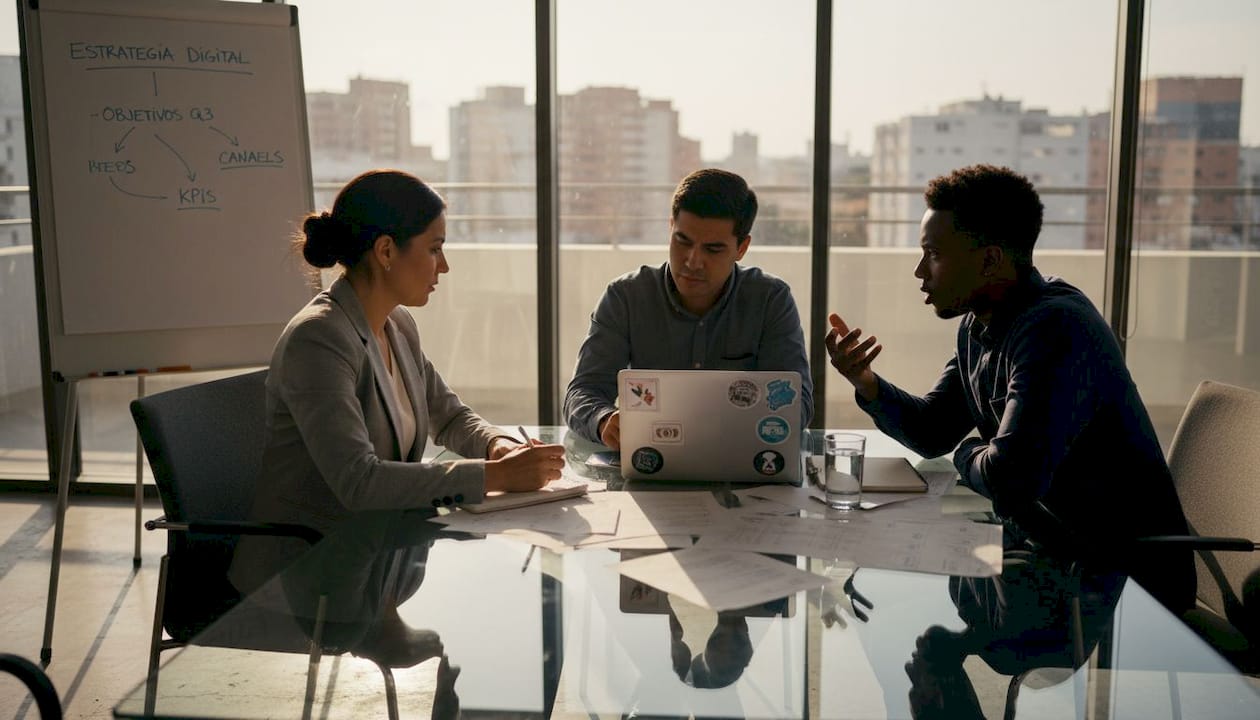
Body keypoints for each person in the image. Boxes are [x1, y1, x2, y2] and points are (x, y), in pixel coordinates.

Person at [824, 163, 1194, 613]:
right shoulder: (980, 325)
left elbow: (1011, 478)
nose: (920, 271)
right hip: (1047, 547)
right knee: (879, 579)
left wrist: (967, 454)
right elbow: (934, 430)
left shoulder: (1056, 329)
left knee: (889, 597)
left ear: (990, 260)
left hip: (1117, 582)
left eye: (934, 254)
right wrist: (865, 382)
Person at [231, 169, 565, 594]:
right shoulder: (318, 338)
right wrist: (495, 477)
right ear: (386, 251)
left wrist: (499, 447)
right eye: (434, 249)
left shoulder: (396, 323)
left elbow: (450, 417)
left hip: (378, 556)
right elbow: (359, 482)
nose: (444, 265)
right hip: (307, 572)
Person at [564, 168, 812, 449]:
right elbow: (583, 391)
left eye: (713, 249)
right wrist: (603, 419)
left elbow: (797, 405)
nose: (693, 261)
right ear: (670, 227)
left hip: (742, 466)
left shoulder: (770, 300)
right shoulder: (625, 297)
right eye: (683, 241)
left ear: (741, 248)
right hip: (650, 463)